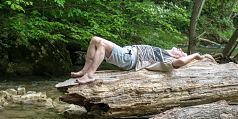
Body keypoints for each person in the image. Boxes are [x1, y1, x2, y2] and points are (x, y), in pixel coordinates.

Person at [71, 36, 203, 84]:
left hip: (129, 59)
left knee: (102, 45)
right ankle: (84, 70)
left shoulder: (168, 61)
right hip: (126, 52)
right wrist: (173, 51)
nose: (179, 49)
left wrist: (195, 55)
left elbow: (181, 62)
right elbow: (173, 51)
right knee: (94, 40)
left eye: (182, 52)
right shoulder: (165, 53)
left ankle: (90, 75)